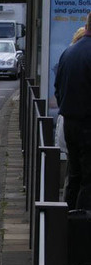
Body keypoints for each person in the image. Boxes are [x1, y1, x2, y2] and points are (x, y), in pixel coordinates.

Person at [54, 12, 91, 210]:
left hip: (70, 123)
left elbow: (58, 89)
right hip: (87, 125)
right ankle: (82, 231)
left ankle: (66, 224)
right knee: (88, 180)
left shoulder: (68, 53)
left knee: (74, 175)